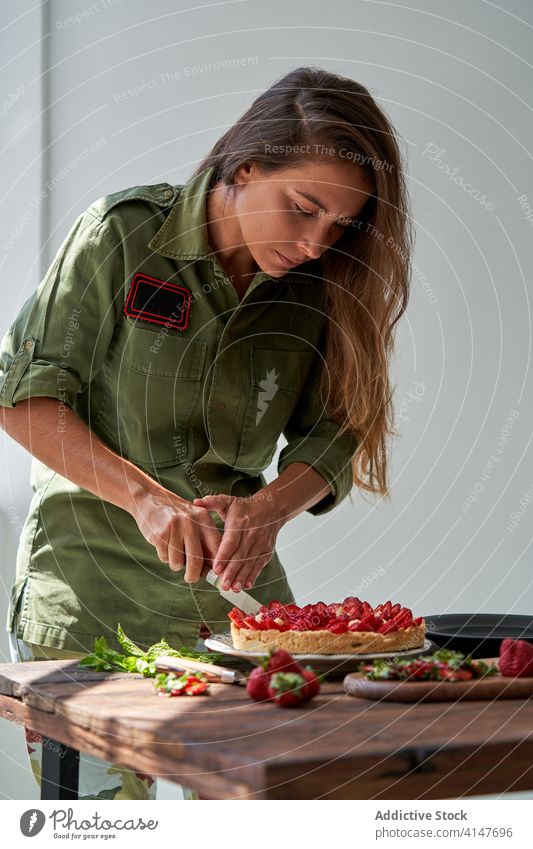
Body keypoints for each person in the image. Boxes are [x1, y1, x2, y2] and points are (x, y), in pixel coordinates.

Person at [0, 66, 414, 800]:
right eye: (302, 208)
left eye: (340, 226)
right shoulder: (121, 235)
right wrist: (148, 500)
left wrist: (268, 509)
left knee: (271, 812)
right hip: (88, 597)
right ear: (245, 166)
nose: (318, 243)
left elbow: (337, 433)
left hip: (237, 614)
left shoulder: (320, 287)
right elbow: (23, 398)